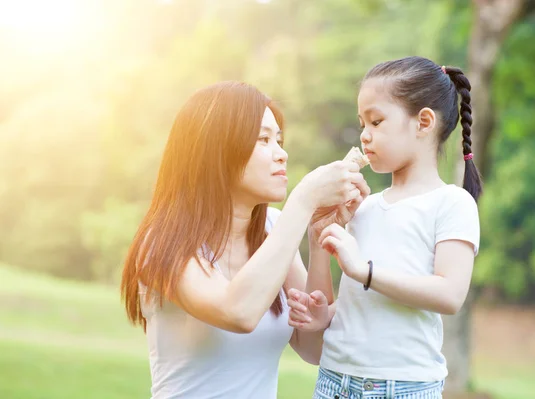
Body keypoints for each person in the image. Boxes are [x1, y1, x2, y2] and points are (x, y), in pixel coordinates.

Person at [120, 81, 370, 399]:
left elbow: (316, 348)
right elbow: (237, 312)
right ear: (216, 150)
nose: (282, 154)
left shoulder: (273, 228)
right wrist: (303, 199)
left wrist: (319, 240)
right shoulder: (160, 243)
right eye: (264, 140)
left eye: (279, 140)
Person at [288, 56, 482, 399]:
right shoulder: (363, 208)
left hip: (403, 387)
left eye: (376, 121)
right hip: (335, 380)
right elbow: (361, 303)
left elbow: (449, 294)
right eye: (362, 123)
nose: (365, 135)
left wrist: (365, 271)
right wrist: (326, 312)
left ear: (423, 122)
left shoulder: (452, 203)